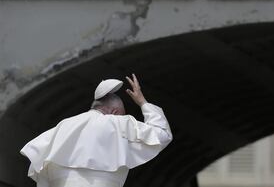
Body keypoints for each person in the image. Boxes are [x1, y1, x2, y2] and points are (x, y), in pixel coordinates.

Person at [20, 73, 173, 187]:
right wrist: (142, 102)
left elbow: (41, 171)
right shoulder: (118, 123)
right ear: (114, 112)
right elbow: (162, 134)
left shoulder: (63, 126)